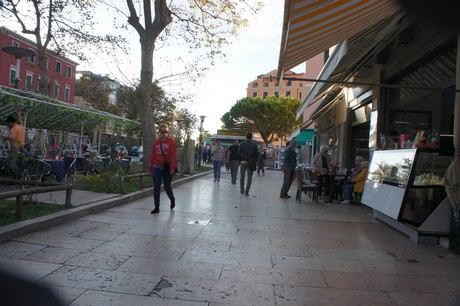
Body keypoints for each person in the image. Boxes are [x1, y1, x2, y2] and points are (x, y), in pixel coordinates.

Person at [149, 124, 177, 214]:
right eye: (162, 132)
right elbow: (153, 156)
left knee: (167, 186)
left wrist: (172, 168)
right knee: (156, 186)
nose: (164, 133)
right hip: (157, 166)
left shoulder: (171, 142)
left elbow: (173, 156)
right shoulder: (156, 143)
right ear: (159, 132)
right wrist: (151, 168)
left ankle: (172, 199)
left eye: (166, 132)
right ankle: (156, 206)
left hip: (167, 168)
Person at [1, 106, 25, 178]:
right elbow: (21, 121)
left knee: (12, 164)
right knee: (19, 163)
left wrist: (1, 136)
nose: (8, 125)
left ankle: (14, 180)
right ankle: (19, 178)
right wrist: (18, 114)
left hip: (15, 147)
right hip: (21, 147)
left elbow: (11, 138)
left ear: (11, 122)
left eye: (8, 123)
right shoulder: (20, 126)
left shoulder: (13, 129)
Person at [238, 132, 258, 196]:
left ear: (246, 136)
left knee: (242, 177)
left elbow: (238, 153)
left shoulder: (241, 144)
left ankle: (242, 189)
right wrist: (255, 161)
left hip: (243, 162)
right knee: (249, 177)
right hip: (251, 163)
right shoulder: (254, 145)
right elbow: (256, 155)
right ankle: (247, 191)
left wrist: (240, 160)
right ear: (251, 137)